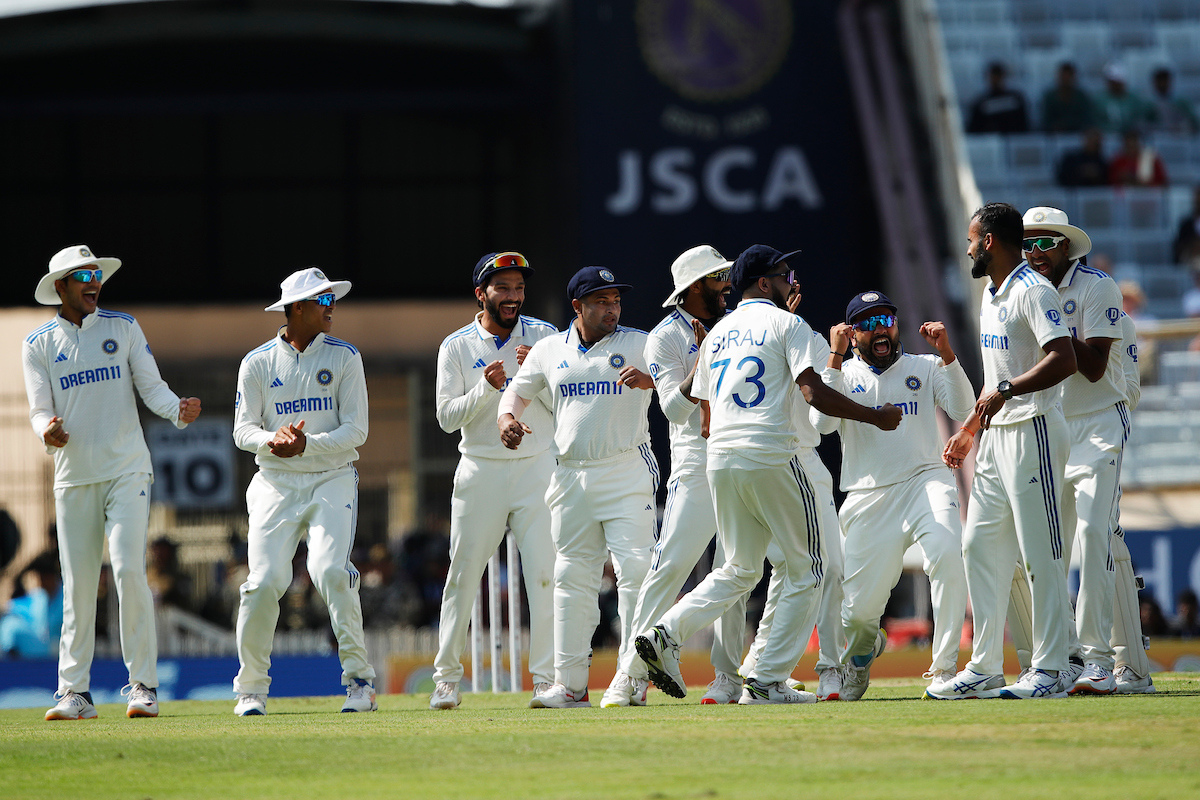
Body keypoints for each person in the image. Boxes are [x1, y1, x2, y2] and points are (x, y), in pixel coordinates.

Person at [635, 245, 901, 705]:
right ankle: (767, 681)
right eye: (784, 274)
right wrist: (873, 416)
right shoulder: (788, 324)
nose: (791, 280)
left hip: (719, 457)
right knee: (811, 567)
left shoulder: (717, 334)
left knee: (738, 568)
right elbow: (813, 392)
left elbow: (705, 410)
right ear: (764, 283)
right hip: (772, 453)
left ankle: (665, 633)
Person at [21, 244, 202, 721]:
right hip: (74, 476)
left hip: (127, 469)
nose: (93, 281)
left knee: (127, 570)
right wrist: (47, 431)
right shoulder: (38, 344)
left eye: (96, 273)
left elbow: (152, 386)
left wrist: (177, 411)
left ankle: (142, 685)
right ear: (60, 286)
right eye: (82, 275)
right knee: (79, 585)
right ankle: (74, 694)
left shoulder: (122, 327)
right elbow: (39, 409)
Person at [930, 203, 1077, 701]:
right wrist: (971, 426)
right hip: (996, 438)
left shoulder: (1034, 290)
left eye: (973, 239)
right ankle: (986, 665)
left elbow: (1065, 358)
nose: (968, 247)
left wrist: (1009, 390)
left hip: (1034, 429)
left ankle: (1054, 668)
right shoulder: (991, 295)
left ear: (990, 241)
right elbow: (995, 383)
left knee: (1041, 554)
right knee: (979, 547)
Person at [498, 266, 658, 708]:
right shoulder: (549, 350)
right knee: (570, 578)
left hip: (626, 469)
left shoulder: (641, 344)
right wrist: (506, 418)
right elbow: (516, 392)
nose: (613, 309)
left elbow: (690, 382)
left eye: (616, 301)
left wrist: (653, 381)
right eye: (601, 301)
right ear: (577, 307)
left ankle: (633, 679)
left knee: (636, 575)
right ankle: (570, 686)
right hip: (569, 474)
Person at [813, 292, 975, 700]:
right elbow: (821, 425)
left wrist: (948, 354)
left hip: (926, 479)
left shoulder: (924, 364)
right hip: (869, 493)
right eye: (866, 324)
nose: (879, 328)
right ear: (851, 335)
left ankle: (944, 669)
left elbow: (963, 405)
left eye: (885, 318)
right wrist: (833, 358)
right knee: (858, 614)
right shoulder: (843, 374)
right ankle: (866, 647)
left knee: (945, 550)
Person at [231, 267, 377, 716]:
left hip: (332, 476)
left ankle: (359, 682)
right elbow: (242, 430)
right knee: (263, 583)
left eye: (332, 300)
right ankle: (251, 689)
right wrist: (273, 441)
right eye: (323, 301)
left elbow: (357, 431)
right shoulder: (257, 362)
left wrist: (307, 445)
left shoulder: (345, 356)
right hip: (274, 481)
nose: (332, 309)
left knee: (331, 571)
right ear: (296, 309)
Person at [602, 245, 741, 707]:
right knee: (668, 569)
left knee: (734, 571)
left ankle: (727, 679)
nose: (728, 284)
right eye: (719, 277)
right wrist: (702, 361)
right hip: (696, 467)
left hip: (741, 458)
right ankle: (631, 675)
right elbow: (673, 409)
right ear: (696, 286)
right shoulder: (664, 337)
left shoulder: (737, 323)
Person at [428, 252, 558, 710]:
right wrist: (485, 388)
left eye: (519, 288)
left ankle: (546, 681)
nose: (513, 297)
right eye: (502, 288)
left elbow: (571, 406)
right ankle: (445, 679)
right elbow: (445, 419)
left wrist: (538, 380)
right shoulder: (457, 346)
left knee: (545, 576)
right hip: (480, 468)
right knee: (463, 575)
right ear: (481, 294)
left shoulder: (544, 337)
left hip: (537, 467)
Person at [1017, 207, 1128, 695]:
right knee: (1048, 547)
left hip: (1100, 420)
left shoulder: (1097, 286)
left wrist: (1055, 329)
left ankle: (1100, 661)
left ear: (1066, 245)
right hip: (1055, 423)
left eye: (1045, 243)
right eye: (1028, 244)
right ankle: (1062, 658)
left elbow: (1096, 368)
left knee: (1092, 533)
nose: (1035, 253)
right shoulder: (1023, 290)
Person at [0, 550, 63, 660]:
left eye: (44, 577)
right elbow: (15, 607)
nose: (41, 582)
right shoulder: (40, 597)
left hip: (62, 652)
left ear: (52, 577)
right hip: (39, 652)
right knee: (10, 624)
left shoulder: (66, 597)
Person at [966, 62, 1030, 134]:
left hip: (1013, 139)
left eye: (998, 76)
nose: (996, 80)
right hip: (989, 141)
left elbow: (1023, 125)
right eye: (993, 77)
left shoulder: (1016, 98)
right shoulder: (981, 102)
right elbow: (975, 128)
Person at [1040, 62, 1096, 134]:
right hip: (1055, 137)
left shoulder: (1081, 97)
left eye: (1069, 76)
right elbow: (1046, 121)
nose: (1066, 80)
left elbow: (1087, 120)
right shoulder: (1050, 97)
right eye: (1063, 76)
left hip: (1079, 136)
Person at [1096, 63, 1149, 134]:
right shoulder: (1099, 99)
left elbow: (1139, 119)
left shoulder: (1133, 100)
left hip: (1129, 137)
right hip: (1106, 137)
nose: (1115, 85)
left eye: (1118, 82)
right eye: (1113, 82)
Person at [1145, 67, 1199, 136]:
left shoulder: (1181, 102)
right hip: (1159, 138)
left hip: (1179, 138)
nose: (1162, 84)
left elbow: (1194, 122)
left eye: (1164, 81)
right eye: (1159, 82)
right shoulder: (1148, 104)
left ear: (1169, 81)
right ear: (1154, 83)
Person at [1172, 185, 1200, 266]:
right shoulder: (1186, 225)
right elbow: (1178, 249)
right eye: (1197, 200)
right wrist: (1192, 246)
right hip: (1191, 264)